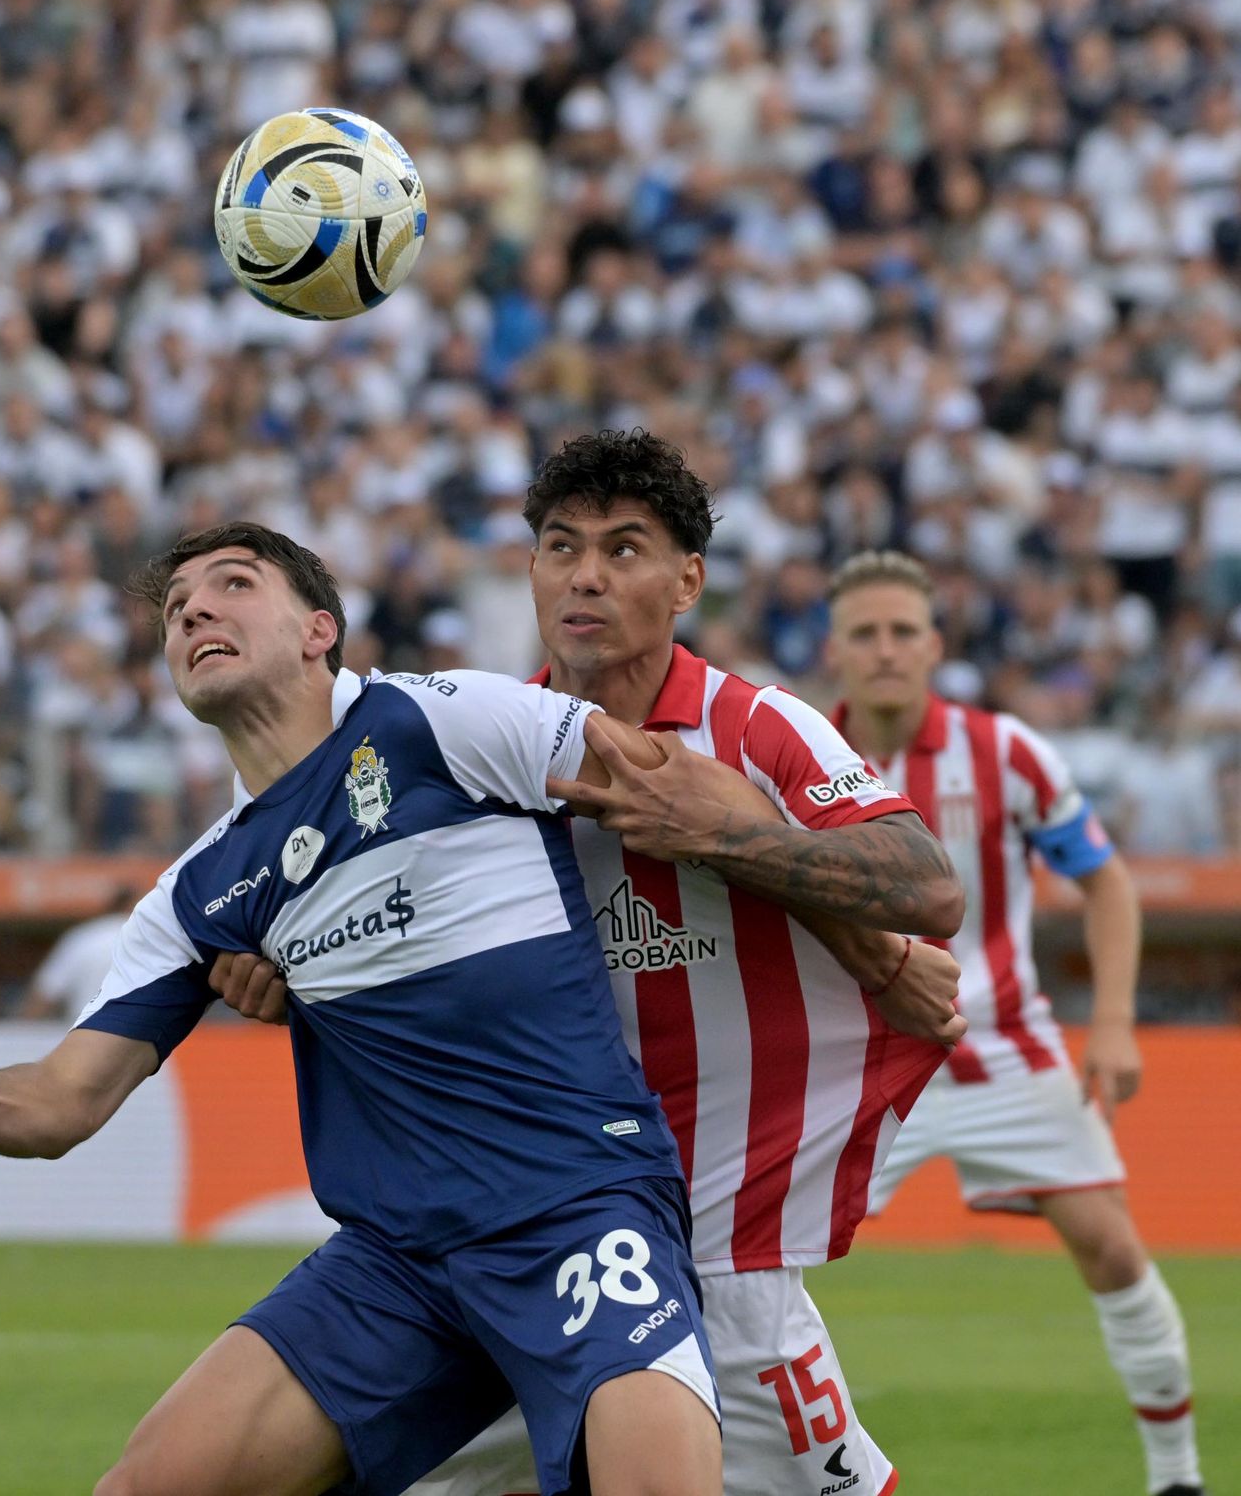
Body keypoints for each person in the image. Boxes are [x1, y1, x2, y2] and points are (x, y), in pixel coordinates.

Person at [0, 520, 724, 1496]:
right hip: (398, 1265)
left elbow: (685, 796)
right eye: (174, 608)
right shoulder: (202, 890)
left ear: (319, 628)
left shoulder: (441, 720)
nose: (193, 608)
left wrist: (870, 935)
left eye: (232, 583)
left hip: (572, 1207)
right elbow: (66, 1096)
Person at [216, 432, 968, 1496]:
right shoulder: (465, 743)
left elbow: (923, 880)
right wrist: (287, 978)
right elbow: (360, 934)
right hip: (512, 1236)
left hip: (708, 1240)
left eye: (623, 549)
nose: (584, 574)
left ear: (686, 580)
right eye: (559, 545)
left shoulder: (751, 727)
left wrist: (720, 836)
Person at [824, 550, 1204, 1496]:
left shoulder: (1005, 752)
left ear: (935, 645)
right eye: (865, 633)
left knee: (1112, 1245)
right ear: (833, 649)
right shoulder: (793, 753)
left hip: (1004, 1045)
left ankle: (1178, 1478)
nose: (885, 651)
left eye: (903, 632)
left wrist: (1112, 1021)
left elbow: (1106, 880)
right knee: (755, 1268)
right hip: (857, 1060)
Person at [21, 884, 139, 1023]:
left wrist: (22, 1033)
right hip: (139, 1031)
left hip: (85, 1029)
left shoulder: (84, 936)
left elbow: (44, 994)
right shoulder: (149, 937)